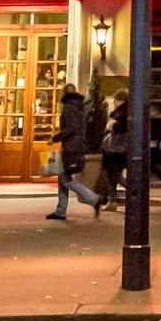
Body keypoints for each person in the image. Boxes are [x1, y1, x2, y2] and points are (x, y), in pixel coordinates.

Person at [48, 87, 96, 221]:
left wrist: (55, 138)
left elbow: (71, 128)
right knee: (62, 177)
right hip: (77, 146)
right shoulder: (80, 107)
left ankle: (92, 198)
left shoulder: (69, 108)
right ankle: (61, 210)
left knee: (64, 178)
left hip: (71, 147)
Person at [97, 94, 131, 213]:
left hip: (115, 150)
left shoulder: (123, 112)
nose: (113, 103)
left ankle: (134, 190)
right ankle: (112, 201)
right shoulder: (124, 112)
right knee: (110, 175)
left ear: (120, 101)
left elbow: (119, 127)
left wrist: (111, 125)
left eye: (115, 101)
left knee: (113, 174)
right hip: (115, 149)